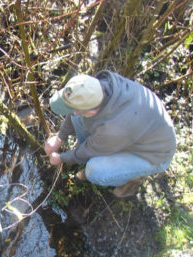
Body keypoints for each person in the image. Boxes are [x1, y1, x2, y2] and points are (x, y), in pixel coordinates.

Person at [44, 70, 176, 199]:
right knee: (78, 118)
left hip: (154, 154)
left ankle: (132, 178)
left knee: (94, 171)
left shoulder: (114, 129)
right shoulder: (101, 86)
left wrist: (61, 158)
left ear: (91, 112)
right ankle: (109, 151)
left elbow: (89, 150)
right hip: (138, 130)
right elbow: (74, 111)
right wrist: (59, 138)